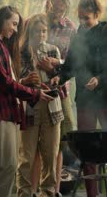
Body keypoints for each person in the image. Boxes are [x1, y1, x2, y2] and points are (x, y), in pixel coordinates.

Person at [51, 0, 107, 197]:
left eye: (86, 18)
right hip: (85, 102)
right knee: (86, 153)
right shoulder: (79, 36)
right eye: (80, 19)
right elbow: (70, 66)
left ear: (96, 15)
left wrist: (101, 79)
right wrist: (61, 76)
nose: (83, 23)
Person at [0, 6, 53, 197]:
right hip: (0, 112)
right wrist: (33, 94)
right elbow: (4, 82)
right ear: (2, 21)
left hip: (9, 112)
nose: (14, 28)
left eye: (17, 25)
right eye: (13, 23)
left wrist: (29, 87)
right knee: (7, 166)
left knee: (10, 165)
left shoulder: (1, 45)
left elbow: (8, 81)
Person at [31, 0, 78, 196]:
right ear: (48, 2)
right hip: (35, 87)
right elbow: (25, 50)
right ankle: (33, 190)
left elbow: (74, 61)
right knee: (35, 140)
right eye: (55, 6)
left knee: (62, 138)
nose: (57, 11)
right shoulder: (38, 23)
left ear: (66, 8)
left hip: (61, 89)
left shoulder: (70, 28)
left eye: (62, 8)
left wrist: (56, 64)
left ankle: (54, 189)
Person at [17, 14, 64, 197]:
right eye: (37, 31)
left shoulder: (54, 51)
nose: (41, 35)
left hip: (52, 106)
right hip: (29, 106)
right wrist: (25, 80)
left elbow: (60, 80)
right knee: (26, 157)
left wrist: (52, 72)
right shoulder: (21, 52)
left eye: (44, 31)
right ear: (30, 32)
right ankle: (24, 193)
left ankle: (49, 193)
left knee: (50, 155)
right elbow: (13, 81)